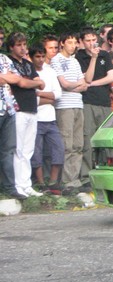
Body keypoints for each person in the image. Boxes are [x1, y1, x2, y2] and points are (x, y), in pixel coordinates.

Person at [7, 32, 46, 197]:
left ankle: (26, 184)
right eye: (19, 45)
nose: (23, 48)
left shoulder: (28, 64)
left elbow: (41, 84)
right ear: (11, 47)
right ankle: (18, 185)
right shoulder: (9, 62)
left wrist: (30, 82)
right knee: (19, 149)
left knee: (28, 149)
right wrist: (31, 83)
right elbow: (21, 83)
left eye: (24, 45)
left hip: (32, 108)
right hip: (19, 109)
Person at [50, 33, 88, 193]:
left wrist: (75, 85)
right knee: (67, 144)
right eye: (69, 42)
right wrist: (76, 85)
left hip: (78, 104)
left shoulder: (75, 61)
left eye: (74, 42)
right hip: (64, 106)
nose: (73, 45)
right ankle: (66, 180)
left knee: (78, 144)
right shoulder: (56, 60)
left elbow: (84, 84)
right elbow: (64, 84)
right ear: (62, 43)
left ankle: (74, 179)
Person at [75, 28, 113, 180]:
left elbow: (110, 77)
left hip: (104, 101)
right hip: (88, 101)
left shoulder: (105, 55)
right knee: (88, 138)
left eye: (93, 40)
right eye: (88, 40)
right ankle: (86, 175)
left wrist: (91, 84)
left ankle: (105, 172)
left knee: (105, 139)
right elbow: (87, 78)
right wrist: (93, 58)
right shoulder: (79, 57)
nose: (91, 43)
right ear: (81, 42)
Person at [29, 44, 64, 194]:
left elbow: (58, 94)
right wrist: (48, 97)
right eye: (37, 56)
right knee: (36, 152)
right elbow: (31, 99)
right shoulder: (28, 72)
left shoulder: (50, 71)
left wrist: (39, 94)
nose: (41, 59)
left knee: (58, 148)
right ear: (31, 57)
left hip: (50, 118)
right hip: (35, 118)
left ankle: (53, 181)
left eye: (43, 56)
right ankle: (41, 182)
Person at [0, 51, 23, 199]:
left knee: (8, 150)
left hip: (8, 109)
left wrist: (4, 78)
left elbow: (16, 78)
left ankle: (9, 187)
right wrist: (6, 76)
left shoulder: (4, 58)